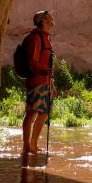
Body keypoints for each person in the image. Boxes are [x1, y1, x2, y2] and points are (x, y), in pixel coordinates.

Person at [22, 10, 55, 154]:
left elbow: (46, 64)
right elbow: (33, 62)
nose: (53, 18)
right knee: (37, 112)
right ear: (44, 21)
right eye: (49, 17)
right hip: (37, 81)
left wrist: (52, 84)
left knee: (37, 112)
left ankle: (29, 146)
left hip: (44, 81)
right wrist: (43, 72)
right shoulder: (36, 38)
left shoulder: (45, 38)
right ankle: (30, 146)